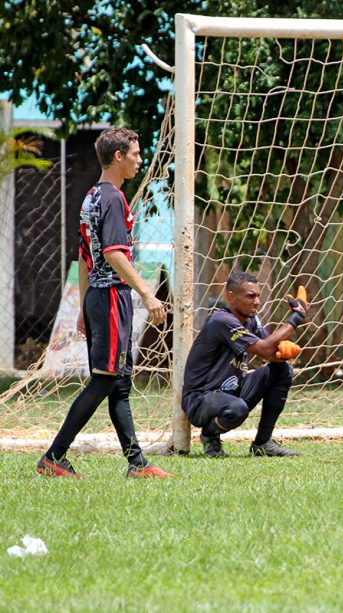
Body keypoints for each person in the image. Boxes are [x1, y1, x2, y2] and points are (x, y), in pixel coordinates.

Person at [37, 128, 170, 479]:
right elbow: (111, 253)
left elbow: (84, 258)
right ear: (118, 157)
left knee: (120, 381)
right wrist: (145, 292)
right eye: (136, 154)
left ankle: (136, 462)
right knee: (104, 380)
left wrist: (83, 306)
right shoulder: (112, 198)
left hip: (97, 297)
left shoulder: (91, 196)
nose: (140, 160)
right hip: (111, 296)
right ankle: (54, 455)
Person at [181, 271, 306, 458]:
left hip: (231, 391)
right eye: (250, 296)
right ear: (231, 296)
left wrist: (283, 351)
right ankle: (209, 435)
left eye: (258, 296)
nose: (257, 301)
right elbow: (264, 348)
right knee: (238, 409)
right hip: (201, 399)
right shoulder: (221, 321)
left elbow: (270, 353)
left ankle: (263, 443)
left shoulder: (251, 321)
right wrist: (296, 317)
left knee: (283, 370)